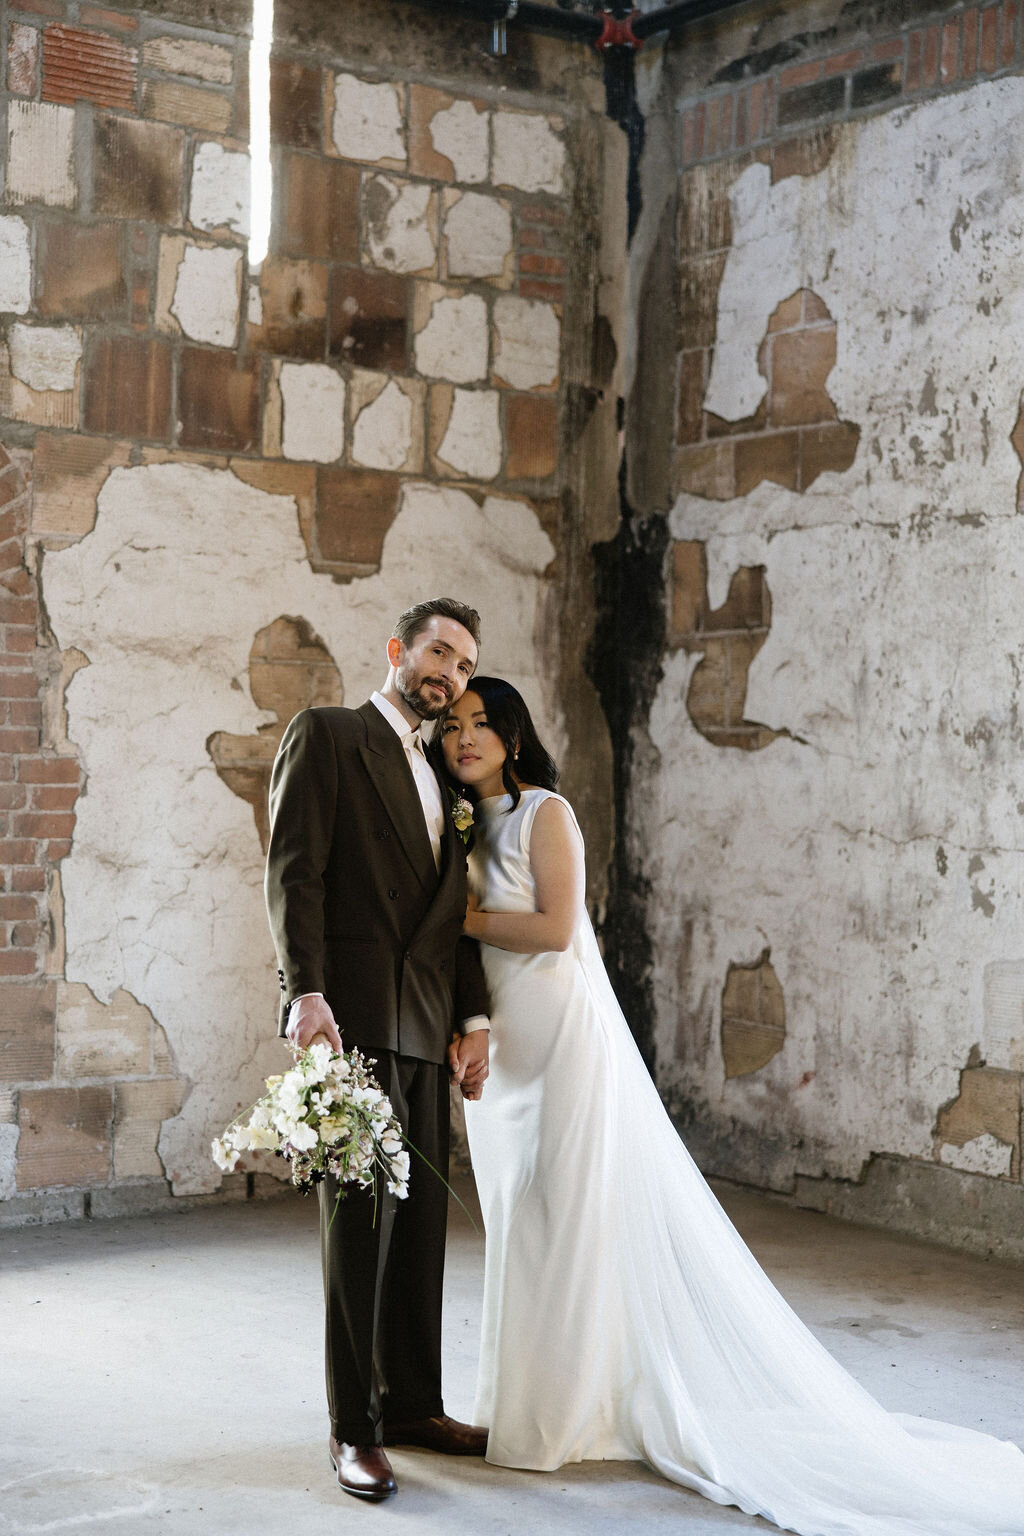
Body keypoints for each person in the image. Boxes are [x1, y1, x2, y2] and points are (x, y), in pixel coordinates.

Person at [438, 675, 1024, 1536]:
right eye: (453, 724)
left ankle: (561, 1418)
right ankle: (529, 1402)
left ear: (516, 735)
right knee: (519, 1221)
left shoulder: (544, 814)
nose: (465, 736)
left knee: (564, 1219)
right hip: (503, 1059)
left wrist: (459, 915)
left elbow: (558, 930)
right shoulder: (459, 822)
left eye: (483, 722)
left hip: (560, 1041)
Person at [264, 599, 492, 1503]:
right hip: (350, 1017)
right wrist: (302, 992)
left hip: (427, 1028)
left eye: (467, 665)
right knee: (359, 1227)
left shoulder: (449, 776)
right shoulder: (327, 735)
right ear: (400, 650)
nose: (451, 674)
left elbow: (456, 918)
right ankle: (353, 1429)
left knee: (423, 1228)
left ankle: (412, 1404)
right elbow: (294, 868)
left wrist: (470, 1019)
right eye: (440, 651)